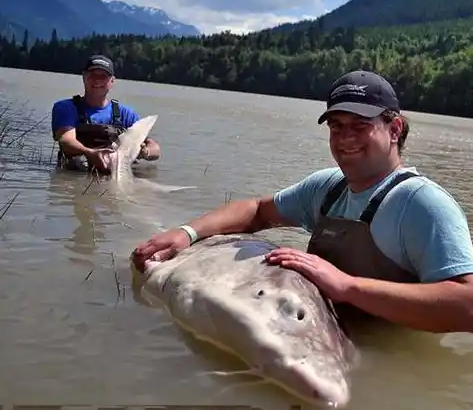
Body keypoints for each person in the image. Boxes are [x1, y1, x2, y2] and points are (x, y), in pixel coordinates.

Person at [131, 70, 473, 334]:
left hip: (390, 354)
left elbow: (467, 306)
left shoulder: (423, 204)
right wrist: (187, 233)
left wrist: (347, 287)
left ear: (395, 128)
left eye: (360, 125)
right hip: (317, 335)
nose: (345, 138)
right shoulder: (328, 187)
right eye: (336, 126)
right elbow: (256, 211)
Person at [51, 54, 161, 173]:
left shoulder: (126, 114)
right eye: (92, 75)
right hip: (75, 175)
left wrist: (145, 152)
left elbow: (155, 149)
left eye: (103, 76)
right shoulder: (65, 108)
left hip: (116, 174)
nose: (97, 80)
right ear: (84, 77)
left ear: (112, 81)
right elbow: (66, 140)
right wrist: (90, 153)